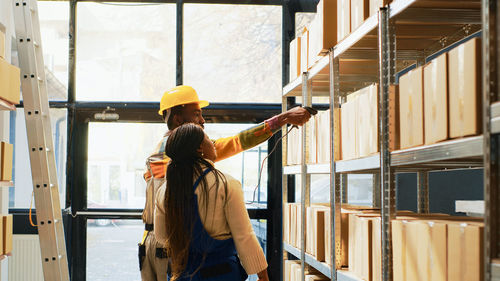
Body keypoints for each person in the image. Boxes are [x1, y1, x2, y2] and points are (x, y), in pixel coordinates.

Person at [139, 85, 310, 280]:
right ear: (178, 119)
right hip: (168, 253)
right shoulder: (178, 159)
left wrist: (282, 119)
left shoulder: (170, 155)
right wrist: (282, 119)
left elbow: (236, 142)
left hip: (163, 251)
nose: (202, 121)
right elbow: (237, 142)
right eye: (196, 115)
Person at [155, 123, 269, 281]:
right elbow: (244, 236)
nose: (214, 144)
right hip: (222, 274)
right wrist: (262, 275)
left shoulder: (165, 189)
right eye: (209, 139)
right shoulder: (225, 183)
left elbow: (161, 236)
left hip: (182, 275)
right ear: (200, 148)